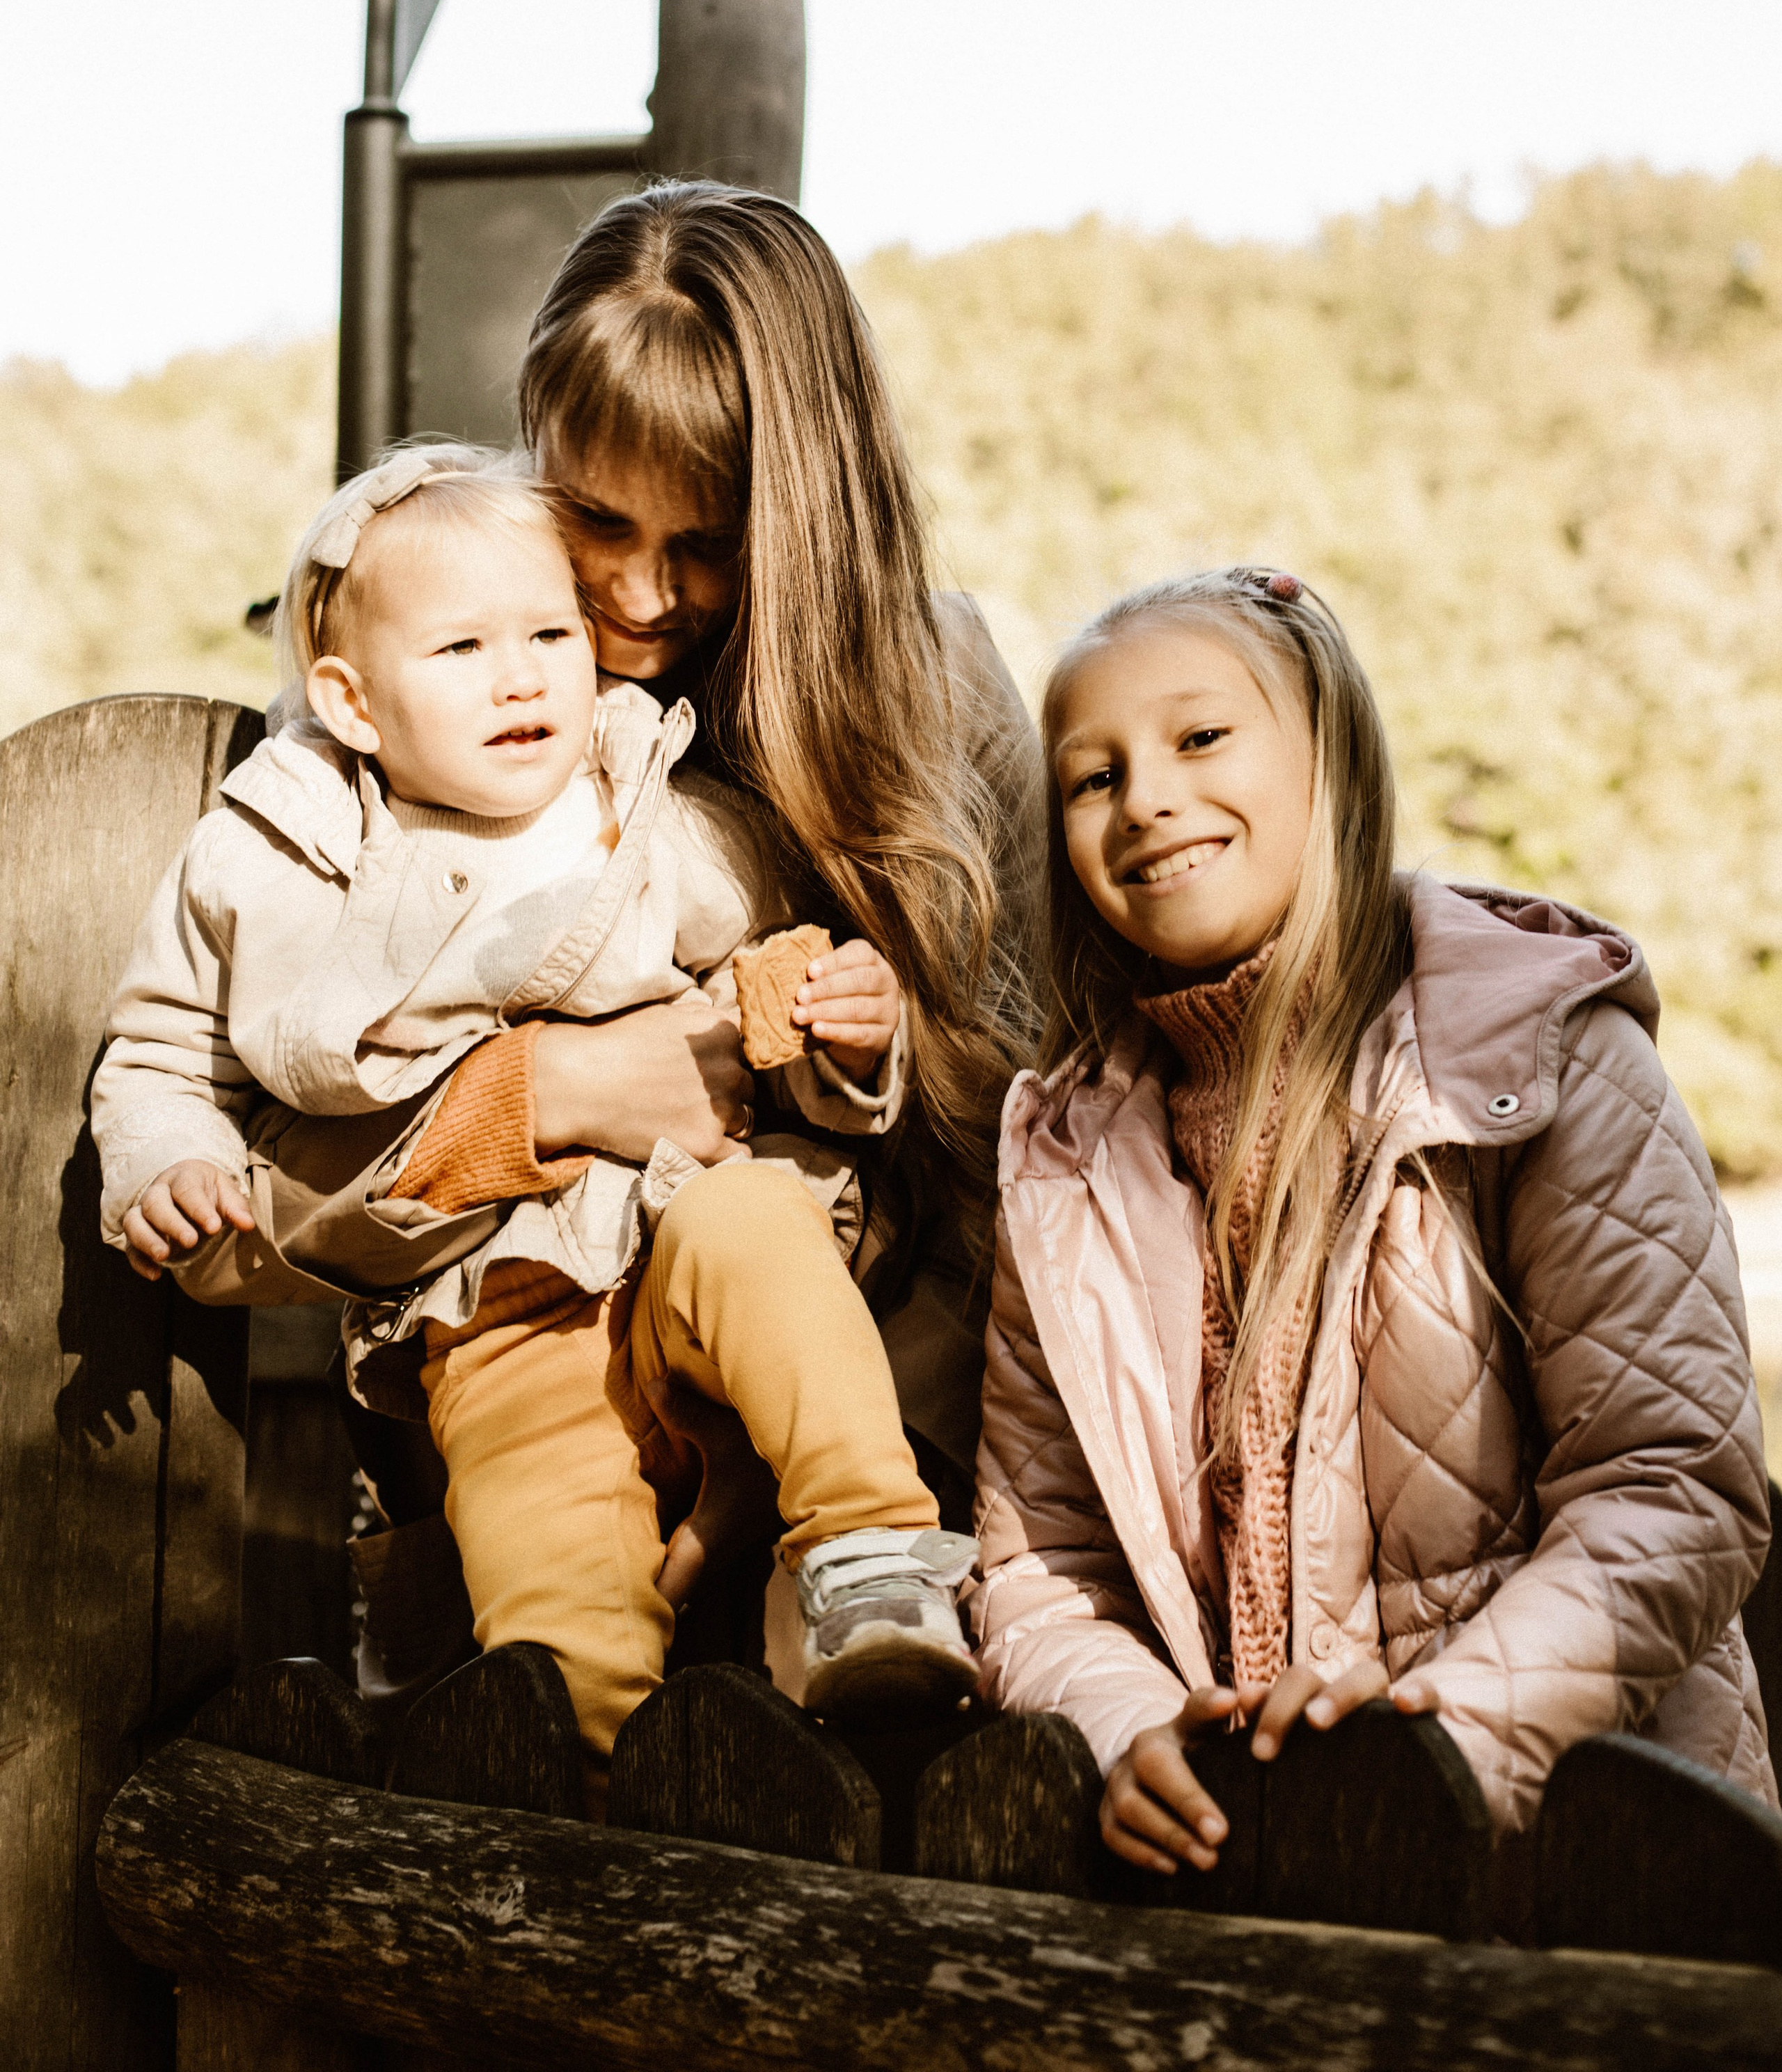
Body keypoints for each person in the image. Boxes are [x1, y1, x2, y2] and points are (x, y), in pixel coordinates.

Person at [104, 182, 1042, 1773]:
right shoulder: (407, 712)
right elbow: (251, 1147)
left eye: (707, 544)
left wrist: (776, 1458)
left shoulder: (928, 701)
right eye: (598, 523)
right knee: (566, 1741)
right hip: (513, 1399)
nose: (641, 597)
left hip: (876, 1462)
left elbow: (1008, 1145)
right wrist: (533, 1098)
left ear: (801, 516)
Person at [972, 563, 1774, 1910]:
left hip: (1580, 1869)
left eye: (1200, 736)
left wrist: (1433, 1748)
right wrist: (1126, 1731)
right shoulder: (1067, 1163)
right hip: (1252, 1887)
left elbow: (1674, 1490)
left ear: (1329, 756)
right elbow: (1042, 1567)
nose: (1146, 797)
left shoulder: (1537, 1063)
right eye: (1093, 777)